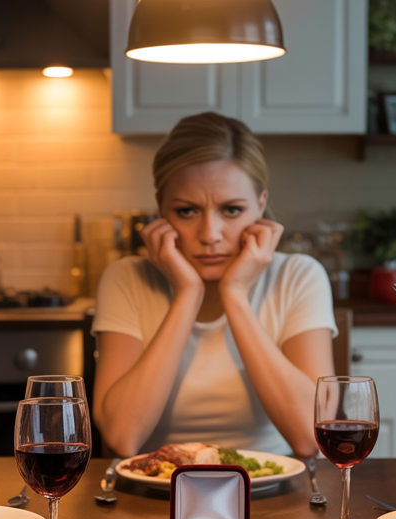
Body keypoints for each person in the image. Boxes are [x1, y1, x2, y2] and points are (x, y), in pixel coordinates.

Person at [92, 112, 336, 458]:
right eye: (187, 211)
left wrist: (235, 295)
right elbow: (122, 438)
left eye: (232, 210)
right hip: (151, 491)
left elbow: (311, 439)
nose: (209, 235)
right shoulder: (126, 279)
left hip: (271, 492)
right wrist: (186, 295)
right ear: (161, 208)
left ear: (261, 206)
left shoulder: (298, 276)